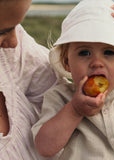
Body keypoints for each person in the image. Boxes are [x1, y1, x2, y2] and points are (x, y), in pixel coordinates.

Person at [32, 0, 114, 159]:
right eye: (84, 53)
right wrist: (75, 110)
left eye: (109, 52)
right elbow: (44, 147)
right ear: (67, 63)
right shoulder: (61, 97)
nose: (96, 63)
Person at [0, 0, 57, 159]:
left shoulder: (13, 53)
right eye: (1, 32)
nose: (13, 42)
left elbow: (75, 96)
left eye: (16, 26)